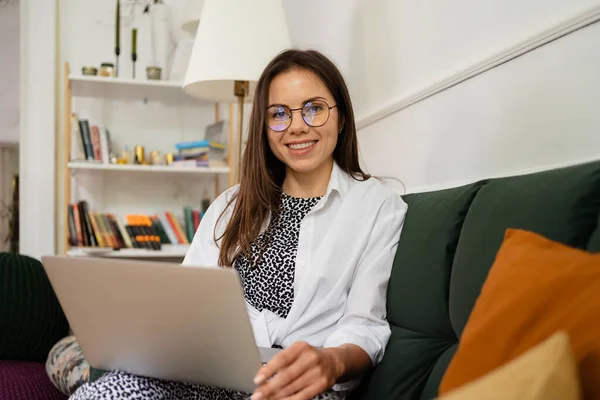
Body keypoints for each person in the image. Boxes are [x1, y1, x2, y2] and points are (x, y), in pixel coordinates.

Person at [70, 49, 407, 400]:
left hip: (291, 386)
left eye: (314, 108)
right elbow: (186, 298)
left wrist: (330, 362)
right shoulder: (232, 204)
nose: (296, 126)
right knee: (103, 394)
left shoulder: (378, 207)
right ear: (264, 127)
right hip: (206, 371)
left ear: (340, 117)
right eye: (278, 114)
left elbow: (364, 325)